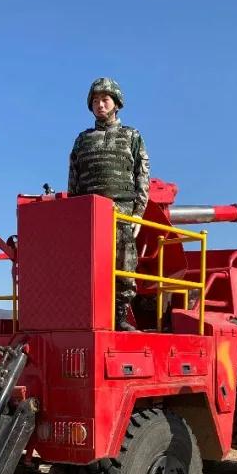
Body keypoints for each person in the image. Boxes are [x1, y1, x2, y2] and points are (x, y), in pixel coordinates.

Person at [67, 77, 150, 331]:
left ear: (116, 104)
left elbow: (142, 175)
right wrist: (74, 213)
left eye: (105, 100)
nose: (100, 105)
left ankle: (119, 316)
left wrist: (138, 213)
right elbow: (73, 179)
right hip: (90, 213)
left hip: (122, 212)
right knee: (89, 265)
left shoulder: (131, 136)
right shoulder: (83, 140)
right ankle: (87, 314)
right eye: (95, 101)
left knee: (124, 264)